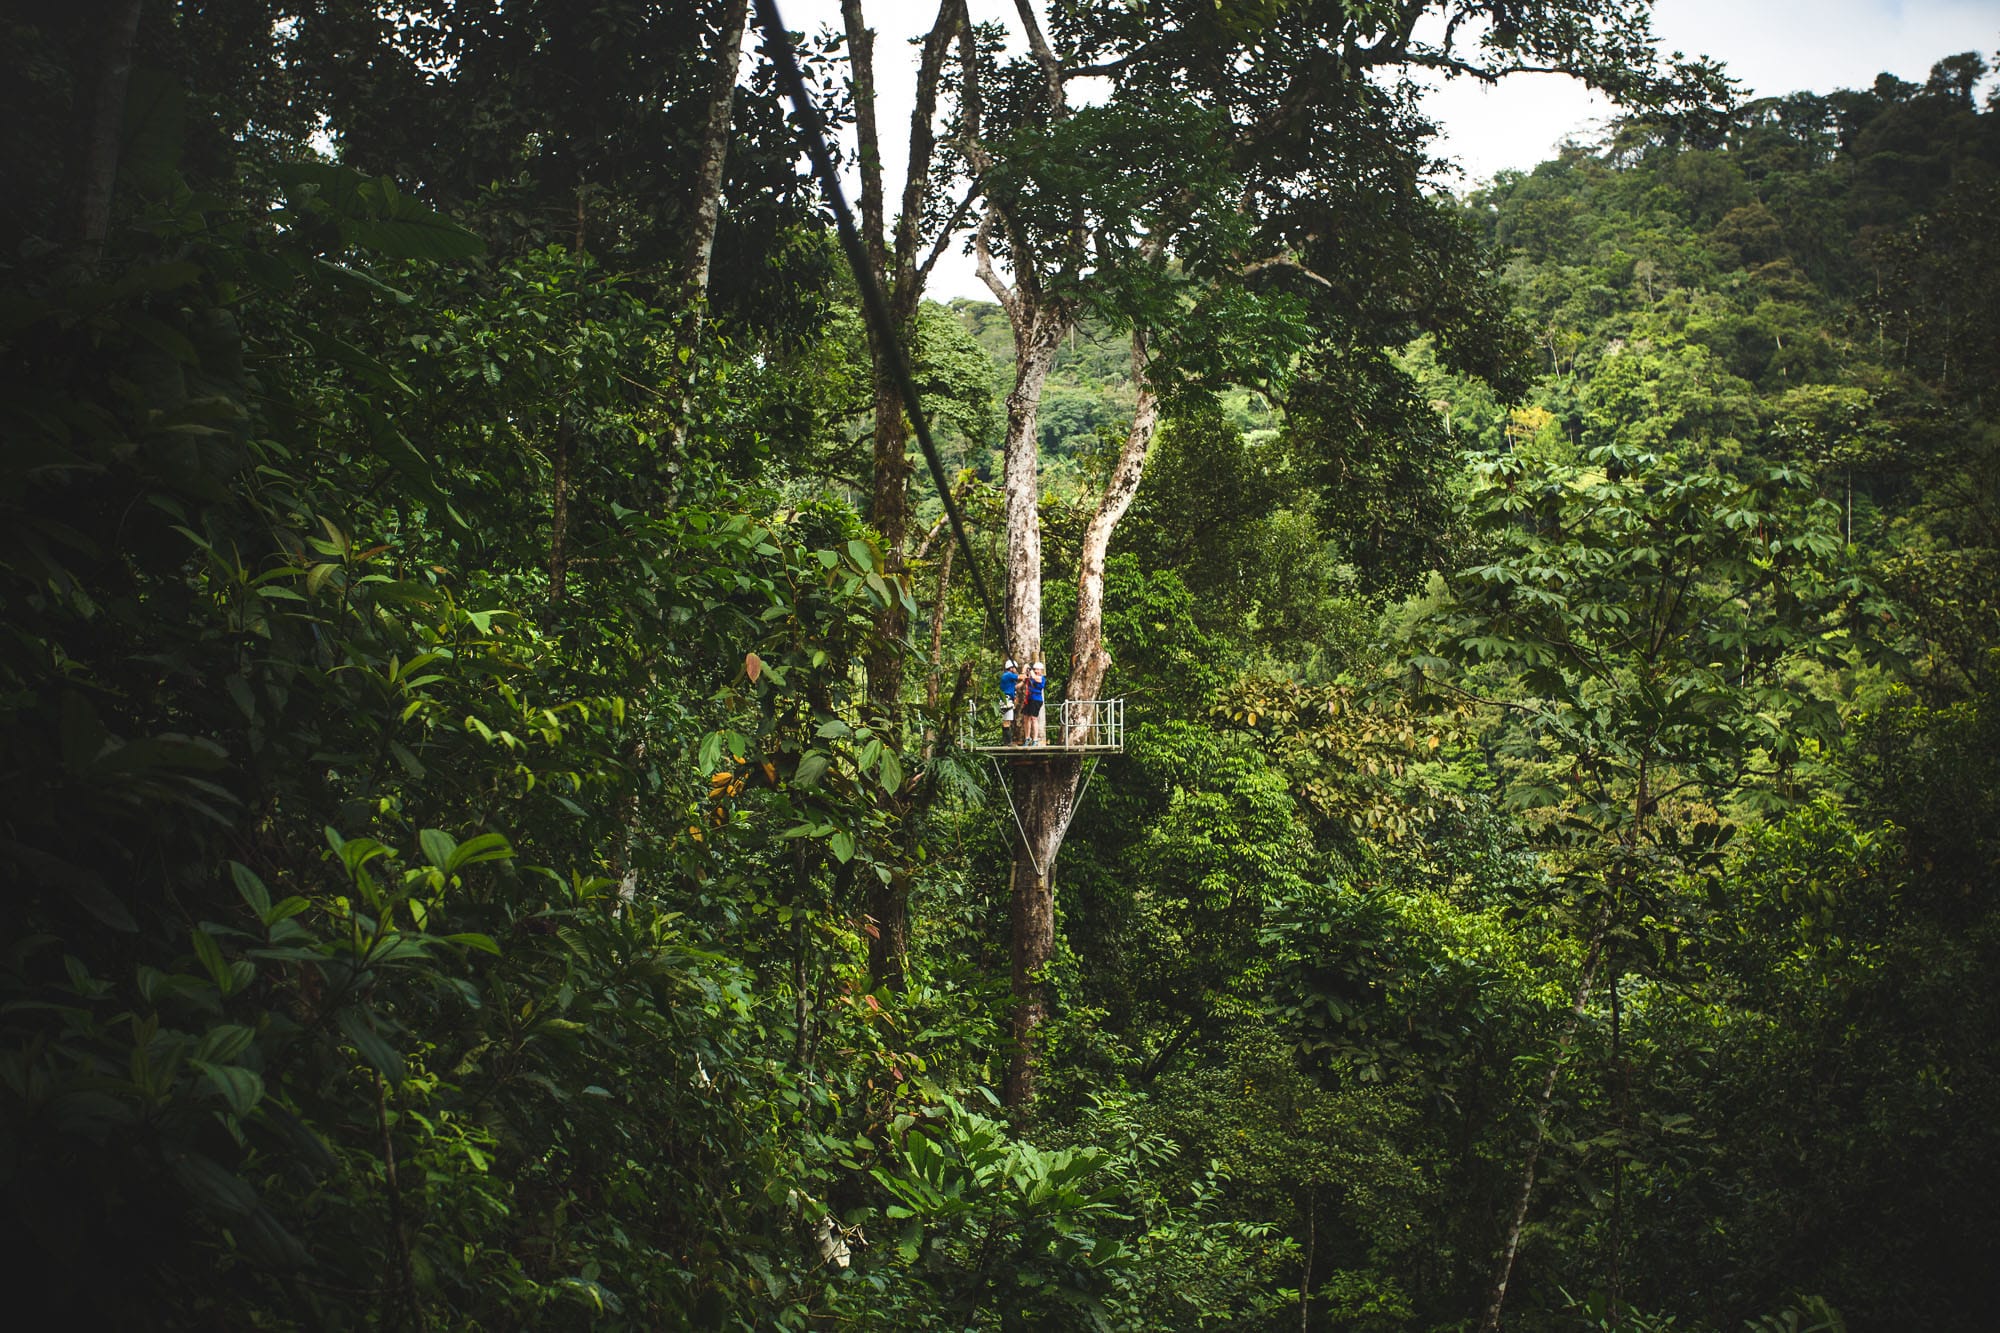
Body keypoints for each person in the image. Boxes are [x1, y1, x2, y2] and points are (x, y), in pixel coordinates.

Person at [1023, 661, 1047, 745]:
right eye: (1035, 669)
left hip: (1036, 699)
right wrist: (1026, 668)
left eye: (1038, 669)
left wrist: (1031, 671)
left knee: (1034, 718)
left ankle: (1035, 739)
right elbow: (1024, 676)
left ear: (1041, 670)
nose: (1036, 671)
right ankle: (1027, 738)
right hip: (1029, 698)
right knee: (1026, 718)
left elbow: (1035, 677)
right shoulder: (1031, 677)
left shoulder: (1041, 678)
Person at [999, 659, 1019, 744]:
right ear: (1011, 668)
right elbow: (1020, 677)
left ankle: (1007, 741)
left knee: (1007, 720)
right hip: (1006, 699)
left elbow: (1016, 686)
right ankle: (1008, 742)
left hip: (1007, 699)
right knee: (1007, 721)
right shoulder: (1008, 675)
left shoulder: (1008, 677)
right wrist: (1025, 671)